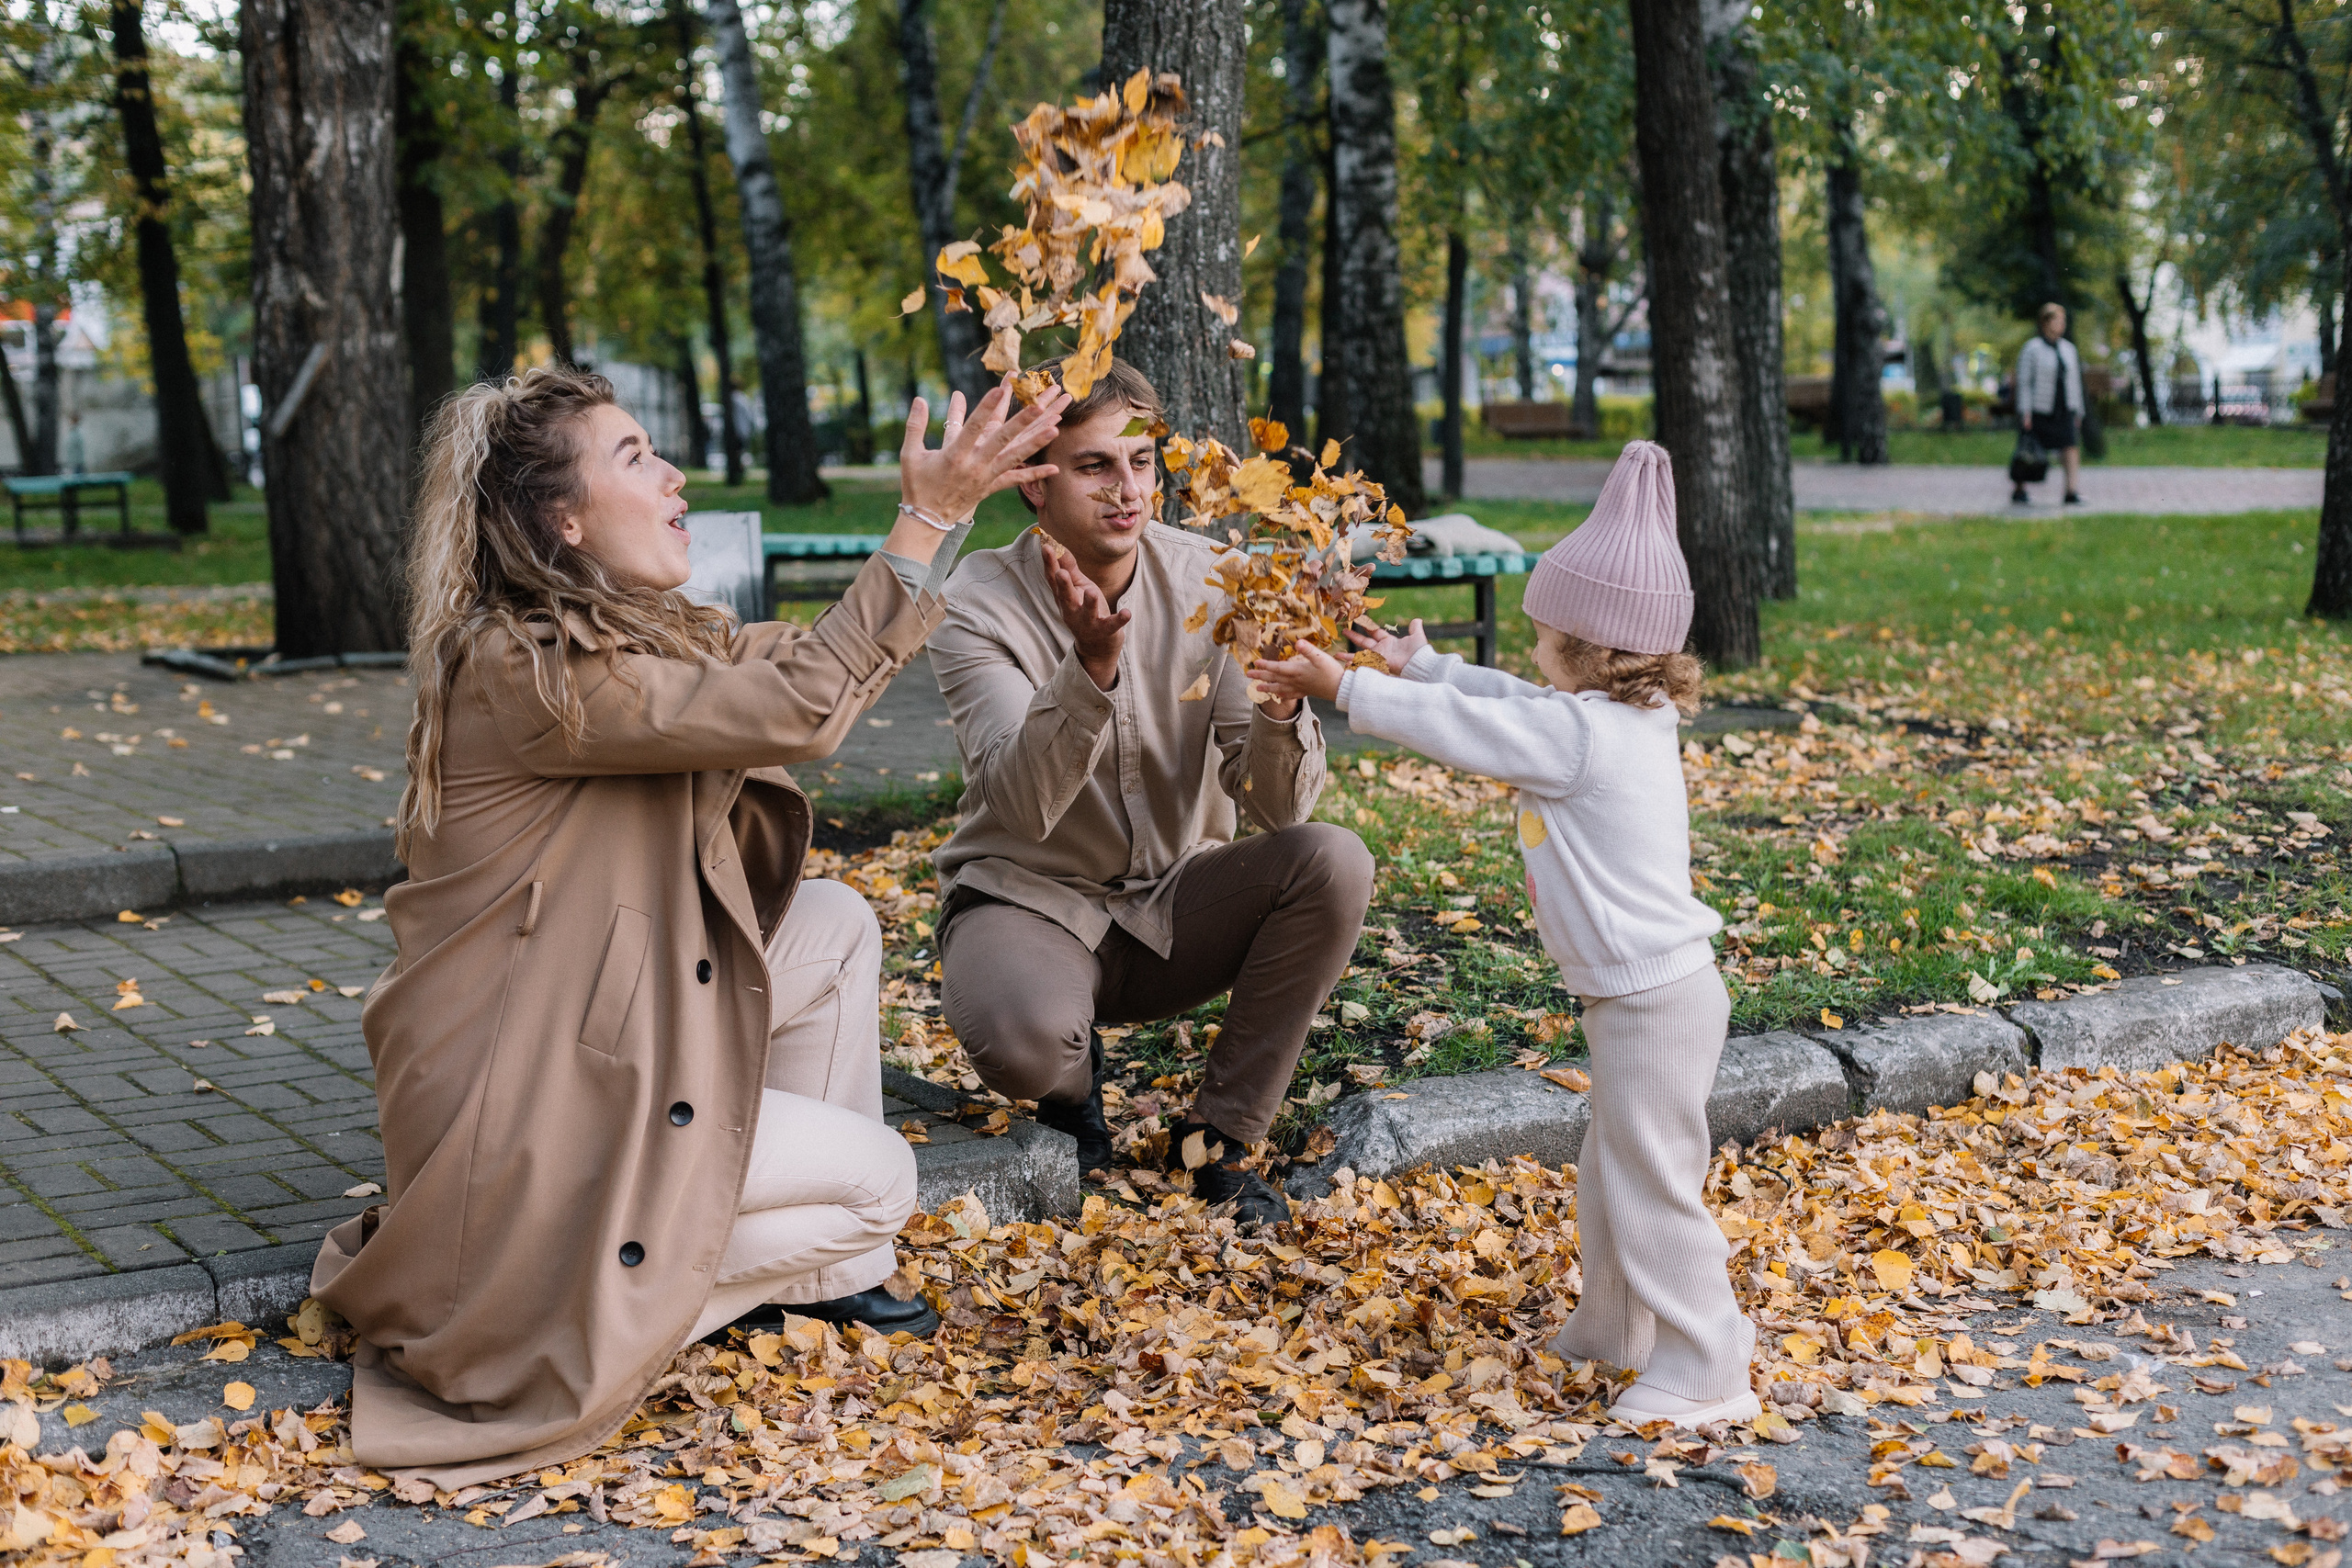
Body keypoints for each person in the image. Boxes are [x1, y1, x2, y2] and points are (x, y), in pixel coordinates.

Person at [311, 365, 1067, 1486]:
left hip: (590, 1053)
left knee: (831, 923)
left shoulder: (636, 641)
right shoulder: (529, 669)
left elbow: (809, 668)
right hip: (532, 1116)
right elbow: (800, 706)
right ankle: (569, 1313)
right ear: (563, 522)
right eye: (633, 459)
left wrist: (942, 531)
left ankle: (820, 1283)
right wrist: (930, 513)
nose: (672, 476)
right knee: (879, 1184)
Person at [1250, 440, 1761, 1430]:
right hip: (1647, 993)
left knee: (1653, 1185)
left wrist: (1350, 689)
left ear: (1584, 643)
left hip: (1652, 998)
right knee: (1615, 1174)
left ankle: (1709, 1364)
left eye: (1539, 633)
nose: (1529, 650)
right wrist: (1425, 663)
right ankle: (1617, 1331)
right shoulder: (1611, 715)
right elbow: (1513, 707)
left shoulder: (1579, 737)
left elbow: (1477, 733)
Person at [929, 355, 1374, 1228]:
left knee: (1334, 862)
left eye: (1141, 462)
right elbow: (1018, 804)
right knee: (1027, 1041)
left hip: (1174, 901)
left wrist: (1283, 709)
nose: (1126, 489)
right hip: (1029, 901)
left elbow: (1280, 813)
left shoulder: (1218, 579)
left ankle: (1215, 1140)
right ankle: (1070, 1097)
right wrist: (1090, 672)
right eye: (1095, 465)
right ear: (1034, 482)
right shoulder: (974, 602)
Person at [2014, 302, 2086, 506]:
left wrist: (2078, 410)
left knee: (2070, 447)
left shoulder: (2069, 349)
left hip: (2064, 409)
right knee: (2028, 450)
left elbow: (2075, 382)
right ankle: (2019, 489)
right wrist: (2025, 411)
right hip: (2040, 409)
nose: (2061, 324)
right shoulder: (2032, 349)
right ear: (2045, 322)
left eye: (2063, 321)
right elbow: (2025, 383)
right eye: (2057, 320)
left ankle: (2071, 491)